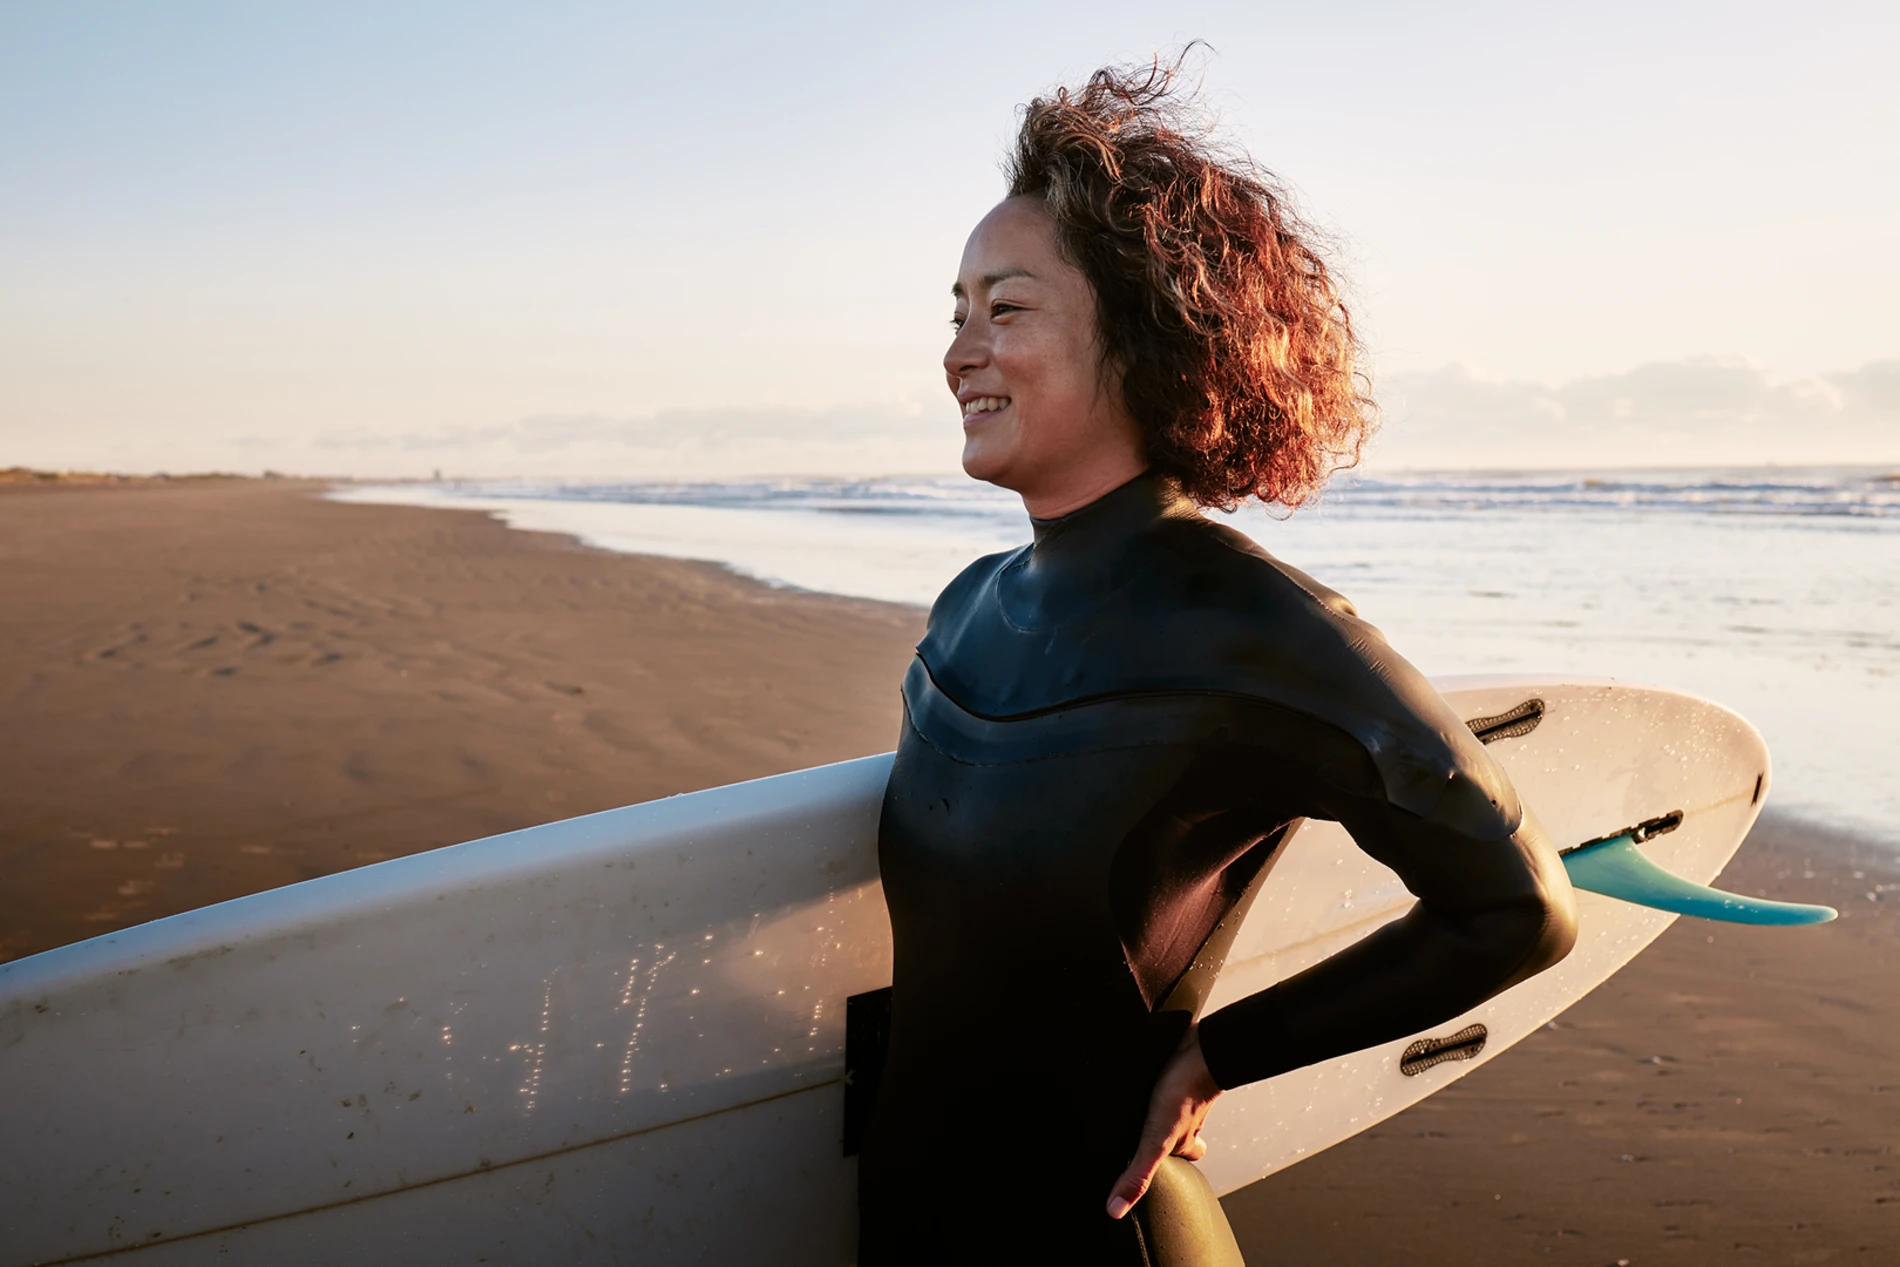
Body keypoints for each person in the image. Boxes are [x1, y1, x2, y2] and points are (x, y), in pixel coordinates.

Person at [858, 60, 1577, 1265]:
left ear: (1141, 337)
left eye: (1007, 310)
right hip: (906, 1220)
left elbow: (1515, 908)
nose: (958, 353)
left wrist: (1223, 1052)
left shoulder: (1263, 628)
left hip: (1102, 1230)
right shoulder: (965, 611)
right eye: (956, 310)